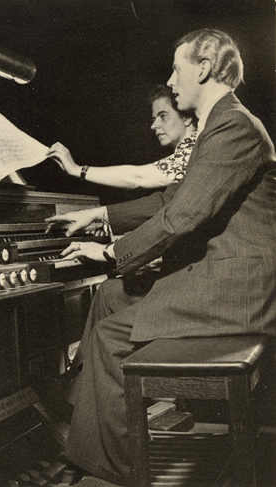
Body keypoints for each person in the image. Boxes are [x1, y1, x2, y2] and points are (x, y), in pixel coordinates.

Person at [46, 29, 276, 487]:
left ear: (204, 68)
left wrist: (111, 251)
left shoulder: (232, 125)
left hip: (237, 291)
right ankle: (81, 418)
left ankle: (111, 471)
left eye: (177, 68)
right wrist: (101, 227)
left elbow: (180, 216)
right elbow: (170, 202)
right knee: (113, 295)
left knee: (110, 337)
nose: (171, 80)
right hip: (225, 275)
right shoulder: (220, 125)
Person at [46, 85, 197, 189]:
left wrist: (77, 169)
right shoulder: (188, 149)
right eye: (153, 119)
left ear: (186, 118)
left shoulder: (194, 148)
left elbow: (137, 178)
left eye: (163, 116)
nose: (153, 126)